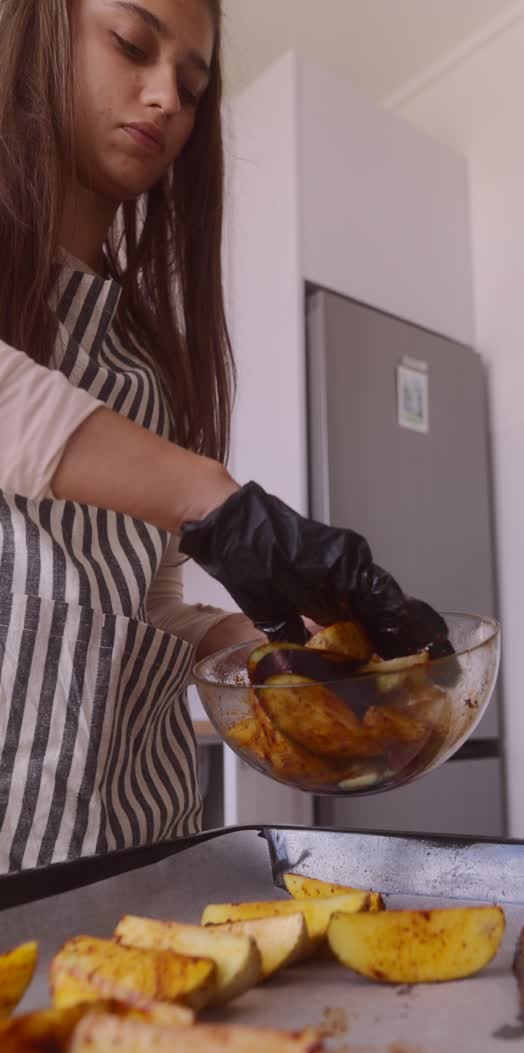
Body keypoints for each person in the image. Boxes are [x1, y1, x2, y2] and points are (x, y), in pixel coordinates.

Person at [0, 0, 450, 872]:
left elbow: (141, 595)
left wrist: (260, 648)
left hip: (139, 843)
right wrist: (215, 497)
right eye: (131, 44)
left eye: (195, 86)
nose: (165, 94)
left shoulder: (148, 362)